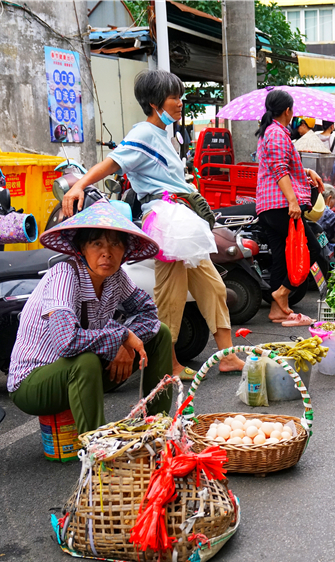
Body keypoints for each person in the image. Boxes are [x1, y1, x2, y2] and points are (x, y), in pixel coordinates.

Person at [61, 69, 243, 379]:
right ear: (155, 102)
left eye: (179, 96)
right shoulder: (143, 133)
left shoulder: (164, 134)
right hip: (168, 221)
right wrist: (80, 184)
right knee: (170, 294)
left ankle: (226, 357)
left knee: (213, 287)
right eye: (174, 97)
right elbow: (113, 163)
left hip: (183, 221)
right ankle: (167, 364)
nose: (180, 103)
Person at [8, 201, 173, 434]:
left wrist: (124, 345)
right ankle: (97, 450)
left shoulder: (117, 277)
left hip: (84, 373)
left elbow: (149, 314)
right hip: (32, 384)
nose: (107, 252)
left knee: (161, 333)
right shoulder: (64, 275)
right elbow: (66, 343)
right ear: (81, 249)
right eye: (97, 243)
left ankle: (158, 429)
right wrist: (121, 336)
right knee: (85, 361)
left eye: (115, 244)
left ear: (125, 251)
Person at [255, 89, 324, 327]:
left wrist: (306, 171)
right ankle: (282, 293)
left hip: (271, 206)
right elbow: (279, 169)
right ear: (288, 111)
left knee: (281, 259)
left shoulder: (273, 132)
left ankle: (277, 311)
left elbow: (284, 166)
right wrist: (293, 202)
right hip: (280, 205)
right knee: (310, 249)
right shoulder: (276, 132)